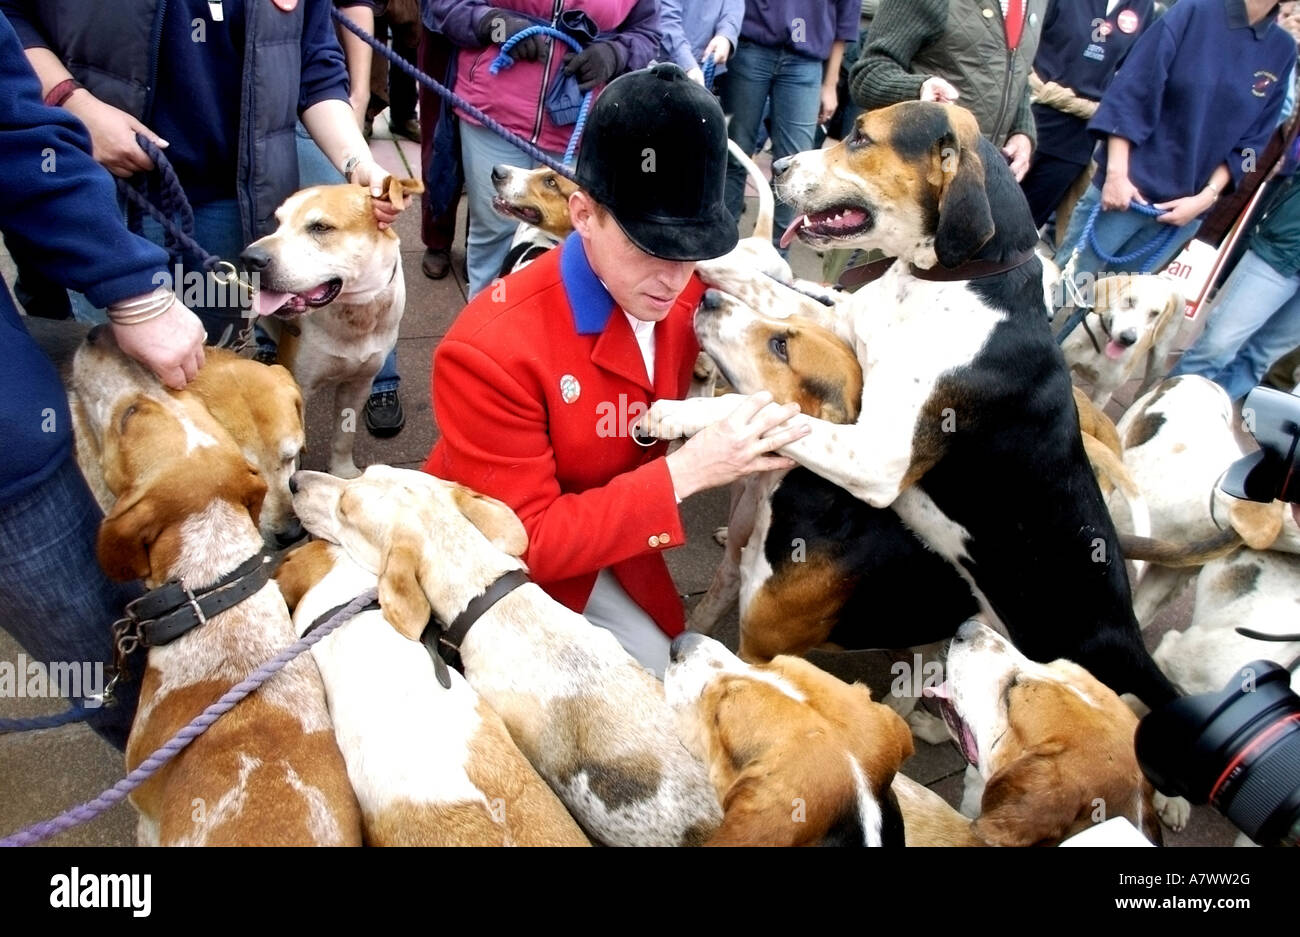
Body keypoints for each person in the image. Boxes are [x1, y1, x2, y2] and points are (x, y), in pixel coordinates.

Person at [424, 64, 809, 677]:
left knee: (677, 690)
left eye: (694, 250)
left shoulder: (685, 290)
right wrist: (688, 472)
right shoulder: (487, 349)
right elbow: (523, 541)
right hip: (505, 564)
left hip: (618, 542)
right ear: (582, 214)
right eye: (649, 246)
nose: (676, 279)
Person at [0, 10, 207, 748]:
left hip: (9, 456)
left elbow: (13, 129)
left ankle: (177, 756)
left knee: (123, 680)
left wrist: (132, 285)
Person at [0, 0, 404, 340]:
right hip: (112, 196)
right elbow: (10, 14)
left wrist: (357, 161)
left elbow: (315, 64)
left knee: (215, 359)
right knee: (124, 378)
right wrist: (73, 103)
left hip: (238, 200)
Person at [424, 0, 660, 299]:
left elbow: (648, 32)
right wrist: (494, 25)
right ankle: (482, 331)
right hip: (493, 112)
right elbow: (445, 6)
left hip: (579, 124)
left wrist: (614, 54)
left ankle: (552, 337)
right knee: (492, 234)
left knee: (576, 245)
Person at [1054, 0, 1296, 279]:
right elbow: (1131, 91)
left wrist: (1206, 198)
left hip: (1182, 216)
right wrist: (1116, 175)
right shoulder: (1193, 11)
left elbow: (1253, 147)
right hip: (1124, 194)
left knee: (1115, 316)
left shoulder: (1282, 50)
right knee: (1063, 296)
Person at [721, 0, 861, 254]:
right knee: (734, 154)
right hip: (752, 47)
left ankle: (776, 253)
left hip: (806, 61)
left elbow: (846, 16)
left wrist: (830, 84)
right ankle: (720, 246)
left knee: (794, 168)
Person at [850, 0, 1046, 181]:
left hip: (974, 181)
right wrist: (919, 89)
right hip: (909, 173)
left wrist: (1022, 132)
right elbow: (867, 74)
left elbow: (1017, 73)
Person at [1169, 132, 1300, 401]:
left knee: (1259, 359)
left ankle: (1199, 421)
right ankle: (1159, 410)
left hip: (1284, 245)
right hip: (1283, 247)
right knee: (1217, 345)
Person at [1020, 0, 1156, 229]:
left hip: (1075, 141)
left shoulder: (1143, 6)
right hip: (1026, 118)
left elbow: (1131, 72)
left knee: (1020, 232)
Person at [659, 0, 743, 86]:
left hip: (705, 65)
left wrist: (725, 35)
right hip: (665, 66)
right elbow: (665, 18)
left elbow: (734, 8)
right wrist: (688, 64)